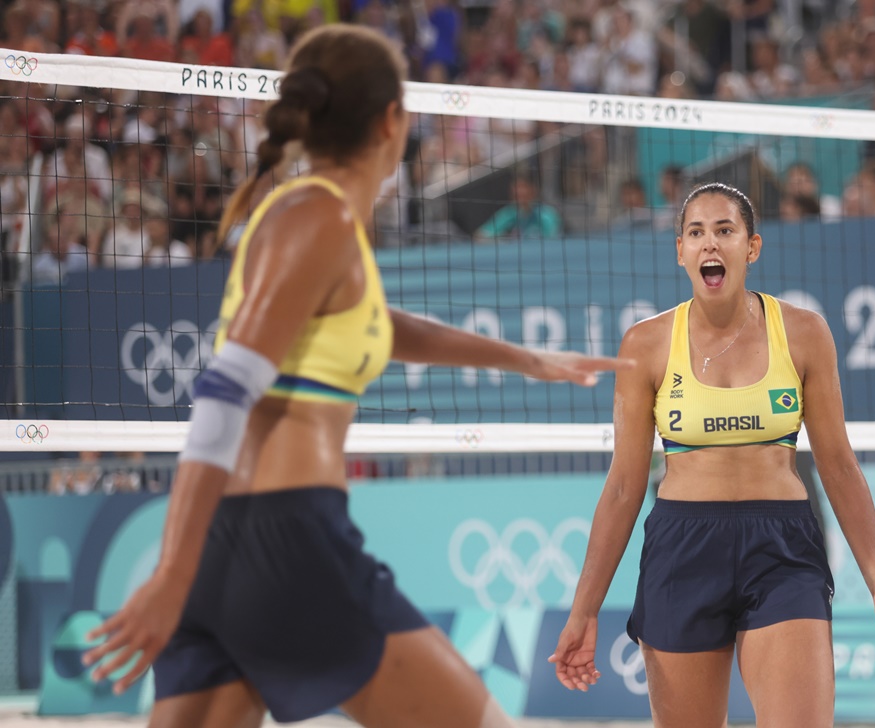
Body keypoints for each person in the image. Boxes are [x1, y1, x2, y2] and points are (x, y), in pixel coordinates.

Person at [81, 25, 627, 728]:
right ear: (392, 120)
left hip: (228, 544)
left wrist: (528, 359)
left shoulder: (307, 217)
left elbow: (383, 325)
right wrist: (169, 576)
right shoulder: (321, 218)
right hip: (287, 539)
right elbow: (221, 396)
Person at [549, 182, 875, 727]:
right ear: (681, 252)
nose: (710, 244)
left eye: (725, 231)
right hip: (682, 548)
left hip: (780, 548)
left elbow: (839, 465)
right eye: (696, 233)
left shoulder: (805, 333)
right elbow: (622, 486)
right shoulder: (645, 344)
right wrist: (584, 609)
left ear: (751, 248)